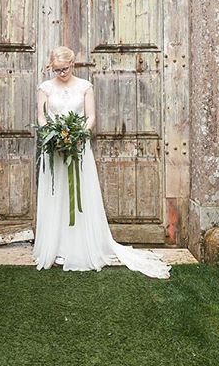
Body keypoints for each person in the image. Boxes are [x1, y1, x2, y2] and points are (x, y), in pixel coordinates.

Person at [33, 46, 171, 279]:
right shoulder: (45, 88)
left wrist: (77, 135)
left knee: (80, 195)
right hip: (55, 149)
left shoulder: (85, 87)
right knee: (57, 195)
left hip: (78, 147)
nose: (61, 74)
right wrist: (54, 135)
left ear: (73, 65)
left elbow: (91, 117)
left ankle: (80, 246)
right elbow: (41, 117)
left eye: (64, 69)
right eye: (56, 70)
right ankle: (55, 247)